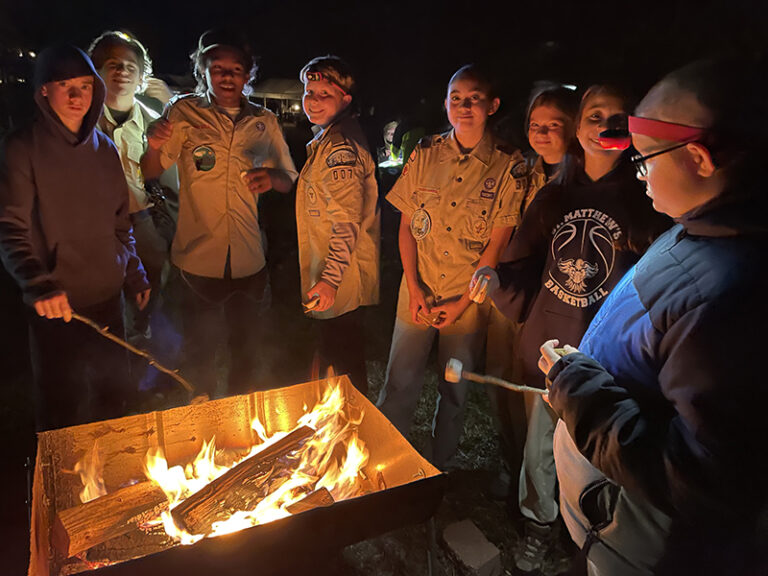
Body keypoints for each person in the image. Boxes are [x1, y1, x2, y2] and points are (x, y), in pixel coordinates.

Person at [538, 60, 768, 575]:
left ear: (699, 157)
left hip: (644, 552)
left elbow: (699, 478)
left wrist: (579, 388)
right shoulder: (699, 226)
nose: (638, 176)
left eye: (644, 160)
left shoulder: (732, 298)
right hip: (609, 532)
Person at [476, 85, 670, 573]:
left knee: (599, 452)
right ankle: (539, 525)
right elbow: (524, 264)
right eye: (595, 115)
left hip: (610, 354)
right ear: (578, 129)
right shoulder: (555, 196)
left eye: (618, 117)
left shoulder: (646, 199)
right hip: (552, 345)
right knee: (542, 446)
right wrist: (496, 280)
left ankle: (588, 531)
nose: (606, 125)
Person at [377, 64, 526, 468]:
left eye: (474, 98)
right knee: (399, 381)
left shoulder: (509, 167)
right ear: (446, 104)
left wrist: (461, 304)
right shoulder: (425, 154)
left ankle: (438, 465)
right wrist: (413, 287)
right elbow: (406, 226)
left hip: (468, 299)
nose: (464, 106)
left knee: (454, 386)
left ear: (492, 105)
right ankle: (386, 464)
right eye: (456, 98)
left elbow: (496, 244)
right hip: (417, 290)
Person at [141, 29, 298, 398]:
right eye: (218, 68)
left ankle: (241, 425)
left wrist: (271, 177)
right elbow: (150, 170)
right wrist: (154, 144)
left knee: (247, 350)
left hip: (248, 259)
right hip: (197, 259)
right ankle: (204, 428)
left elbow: (288, 177)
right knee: (200, 353)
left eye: (236, 69)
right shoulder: (183, 113)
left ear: (248, 75)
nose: (227, 76)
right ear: (204, 72)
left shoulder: (264, 122)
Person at [0, 44, 150, 430]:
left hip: (108, 299)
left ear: (95, 90)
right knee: (60, 408)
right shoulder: (21, 149)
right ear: (43, 91)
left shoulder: (106, 150)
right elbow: (11, 228)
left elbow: (121, 223)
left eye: (84, 86)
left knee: (114, 400)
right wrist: (37, 282)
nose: (75, 96)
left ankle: (119, 484)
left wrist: (133, 274)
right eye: (63, 85)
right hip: (56, 304)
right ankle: (61, 483)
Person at [484, 84, 578, 506]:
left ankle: (552, 493)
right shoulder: (522, 172)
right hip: (512, 296)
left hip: (556, 307)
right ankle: (511, 461)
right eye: (536, 125)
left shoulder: (578, 183)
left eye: (553, 125)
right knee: (503, 383)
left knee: (546, 402)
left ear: (572, 129)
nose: (542, 133)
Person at [295, 55, 380, 394]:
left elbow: (347, 223)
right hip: (335, 272)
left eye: (323, 94)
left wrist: (329, 280)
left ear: (345, 99)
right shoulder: (329, 138)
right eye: (309, 91)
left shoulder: (339, 148)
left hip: (340, 278)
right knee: (338, 360)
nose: (312, 101)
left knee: (343, 366)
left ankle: (352, 435)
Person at [88, 31, 177, 343]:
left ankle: (140, 343)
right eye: (112, 64)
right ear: (96, 71)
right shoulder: (81, 119)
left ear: (142, 77)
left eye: (130, 66)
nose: (121, 72)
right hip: (93, 227)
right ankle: (105, 350)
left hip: (141, 220)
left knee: (149, 285)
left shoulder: (156, 120)